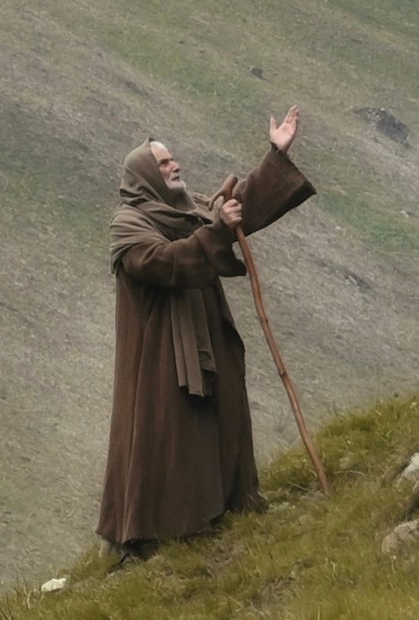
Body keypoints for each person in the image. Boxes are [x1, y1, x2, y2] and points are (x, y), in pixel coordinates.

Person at [96, 108, 313, 553]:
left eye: (172, 160)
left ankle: (226, 512)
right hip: (159, 355)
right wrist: (216, 231)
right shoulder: (129, 225)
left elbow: (235, 212)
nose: (174, 166)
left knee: (221, 419)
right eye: (163, 164)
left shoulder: (187, 207)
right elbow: (164, 263)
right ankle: (155, 536)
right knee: (165, 434)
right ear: (143, 176)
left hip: (207, 340)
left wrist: (276, 154)